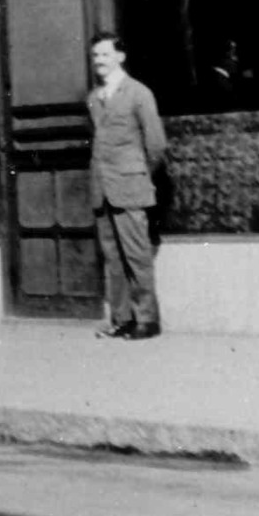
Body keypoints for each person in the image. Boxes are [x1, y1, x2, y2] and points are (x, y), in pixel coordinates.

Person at [89, 33, 167, 339]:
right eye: (95, 56)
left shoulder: (138, 93)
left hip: (130, 186)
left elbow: (156, 145)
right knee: (113, 258)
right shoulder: (94, 98)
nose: (99, 61)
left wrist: (137, 175)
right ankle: (121, 319)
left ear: (120, 57)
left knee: (137, 255)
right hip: (102, 189)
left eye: (105, 55)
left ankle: (147, 320)